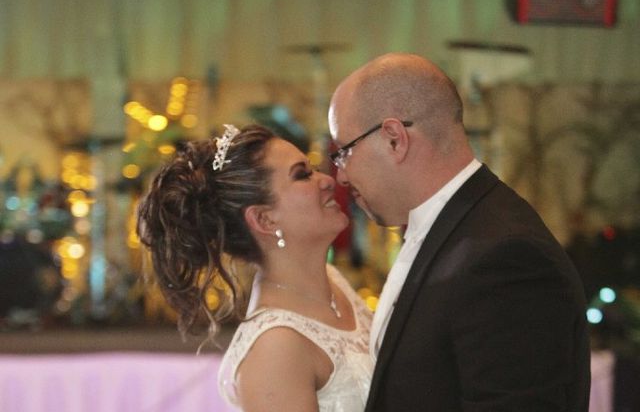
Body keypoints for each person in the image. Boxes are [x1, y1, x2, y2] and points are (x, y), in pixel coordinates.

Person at [328, 53, 591, 411]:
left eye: (344, 152)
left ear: (394, 139)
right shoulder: (457, 230)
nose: (340, 175)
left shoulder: (505, 257)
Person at [136, 124, 373, 412]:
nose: (326, 180)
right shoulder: (275, 348)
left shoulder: (334, 282)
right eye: (302, 175)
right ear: (264, 220)